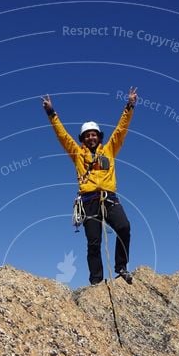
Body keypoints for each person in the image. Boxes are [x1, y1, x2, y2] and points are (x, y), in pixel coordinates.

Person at [42, 88, 137, 285]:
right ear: (83, 139)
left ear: (99, 137)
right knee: (94, 243)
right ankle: (96, 281)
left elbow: (121, 129)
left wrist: (129, 106)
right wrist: (52, 114)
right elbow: (63, 137)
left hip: (109, 198)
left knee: (124, 227)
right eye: (87, 135)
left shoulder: (110, 149)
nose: (91, 138)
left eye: (94, 134)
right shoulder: (77, 154)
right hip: (88, 201)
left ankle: (121, 266)